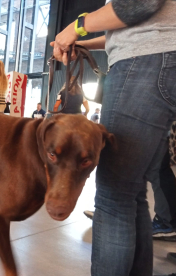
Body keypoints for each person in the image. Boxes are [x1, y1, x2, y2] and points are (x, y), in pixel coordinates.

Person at [51, 0, 176, 275]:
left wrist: (77, 27)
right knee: (132, 195)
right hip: (162, 56)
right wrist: (86, 43)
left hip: (146, 60)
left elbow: (140, 4)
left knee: (113, 198)